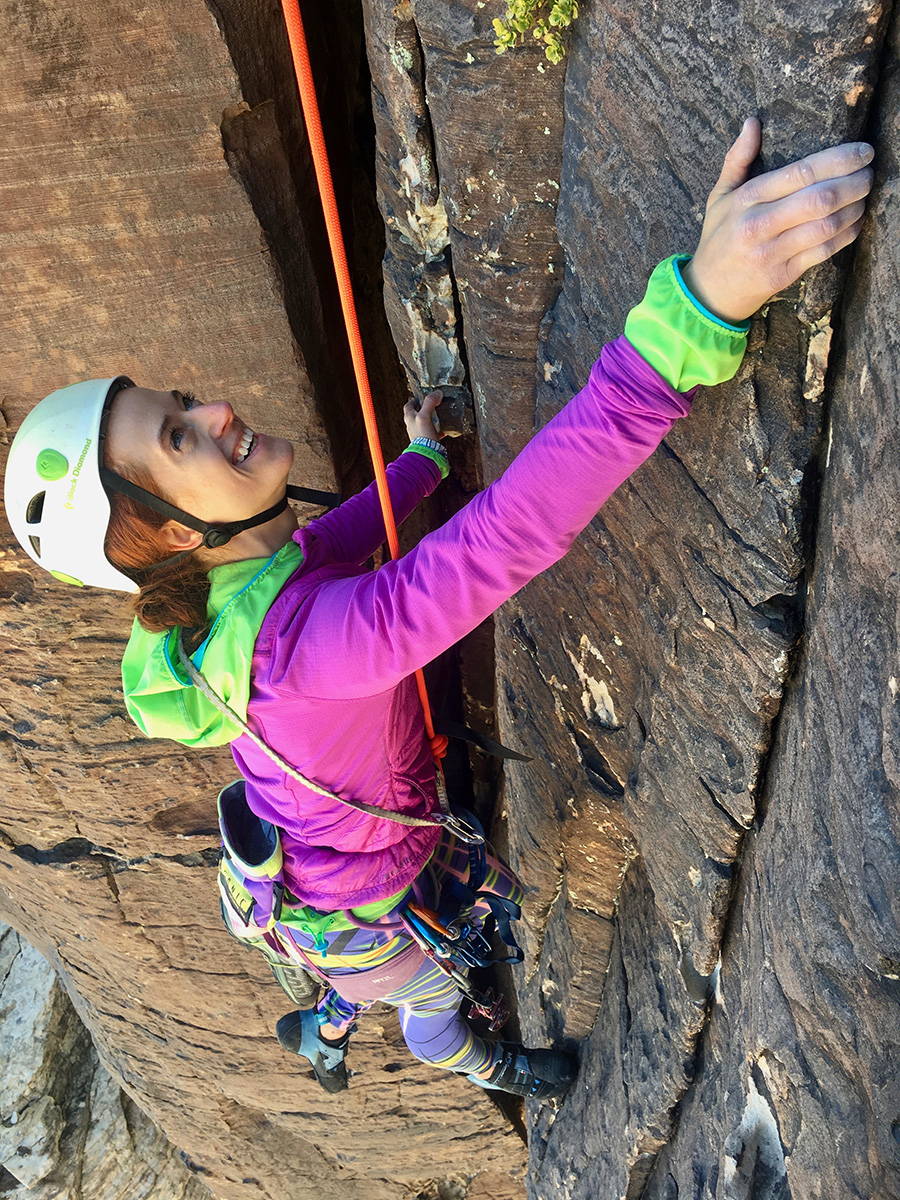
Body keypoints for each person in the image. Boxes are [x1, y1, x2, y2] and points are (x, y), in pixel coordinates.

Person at [3, 117, 874, 1101]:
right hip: (364, 897)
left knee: (358, 976)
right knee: (428, 1000)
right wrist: (688, 322)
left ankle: (323, 1022)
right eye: (178, 435)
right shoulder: (310, 652)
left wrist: (418, 462)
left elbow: (335, 542)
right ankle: (485, 1063)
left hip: (338, 870)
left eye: (183, 397)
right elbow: (508, 539)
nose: (212, 412)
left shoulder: (229, 595)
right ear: (167, 533)